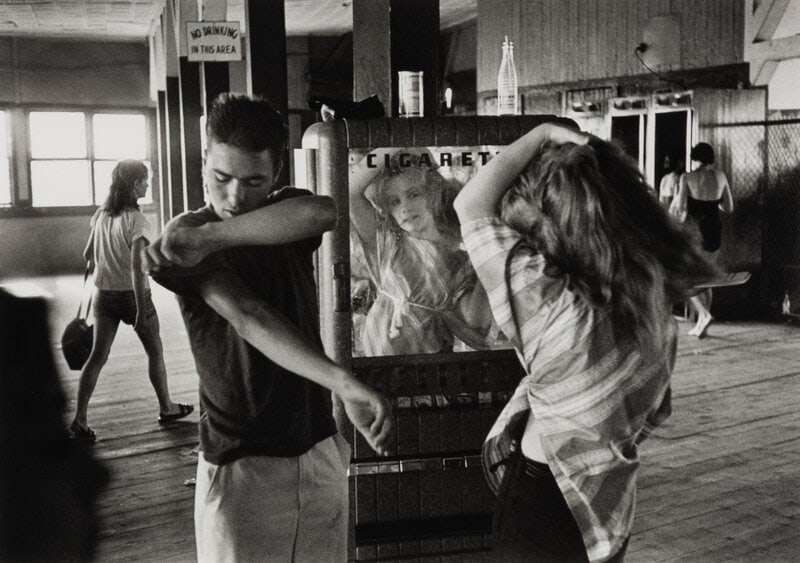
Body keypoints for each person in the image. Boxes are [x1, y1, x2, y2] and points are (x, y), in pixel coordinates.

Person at [141, 93, 392, 562]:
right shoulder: (182, 241)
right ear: (203, 166)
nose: (235, 197)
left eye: (254, 181)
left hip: (316, 445)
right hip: (242, 460)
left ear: (276, 174)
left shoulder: (273, 219)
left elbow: (323, 212)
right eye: (221, 178)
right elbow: (248, 317)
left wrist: (211, 236)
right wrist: (345, 383)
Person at [453, 123, 717, 562]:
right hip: (605, 499)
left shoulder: (550, 299)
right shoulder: (650, 302)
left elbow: (470, 203)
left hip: (541, 497)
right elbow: (654, 410)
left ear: (552, 229)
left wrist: (539, 135)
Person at [69, 160, 193, 443]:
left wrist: (108, 254)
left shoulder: (101, 214)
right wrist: (139, 309)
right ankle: (167, 408)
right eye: (145, 180)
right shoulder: (136, 220)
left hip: (104, 294)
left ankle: (80, 419)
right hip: (132, 296)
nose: (148, 184)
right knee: (155, 351)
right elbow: (139, 269)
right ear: (134, 183)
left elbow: (88, 254)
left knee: (97, 358)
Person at [349, 148, 494, 356]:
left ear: (434, 194)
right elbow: (351, 191)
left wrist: (486, 256)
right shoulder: (389, 242)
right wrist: (395, 143)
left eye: (414, 195)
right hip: (375, 367)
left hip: (429, 372)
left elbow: (475, 319)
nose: (405, 207)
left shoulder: (461, 260)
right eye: (394, 202)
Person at [671, 142, 734, 337]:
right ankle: (701, 324)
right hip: (714, 229)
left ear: (694, 157)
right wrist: (712, 202)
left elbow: (681, 208)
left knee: (686, 278)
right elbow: (729, 207)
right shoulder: (721, 176)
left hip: (695, 231)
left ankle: (704, 314)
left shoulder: (687, 177)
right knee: (705, 276)